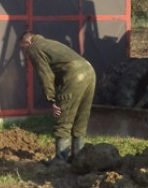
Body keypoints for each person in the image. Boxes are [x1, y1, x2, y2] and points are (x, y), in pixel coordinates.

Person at [19, 30, 96, 164]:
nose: (25, 53)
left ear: (27, 42)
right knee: (80, 118)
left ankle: (61, 160)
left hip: (74, 75)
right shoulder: (49, 43)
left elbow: (45, 75)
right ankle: (79, 158)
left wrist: (52, 100)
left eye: (23, 48)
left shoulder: (34, 48)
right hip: (89, 71)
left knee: (63, 119)